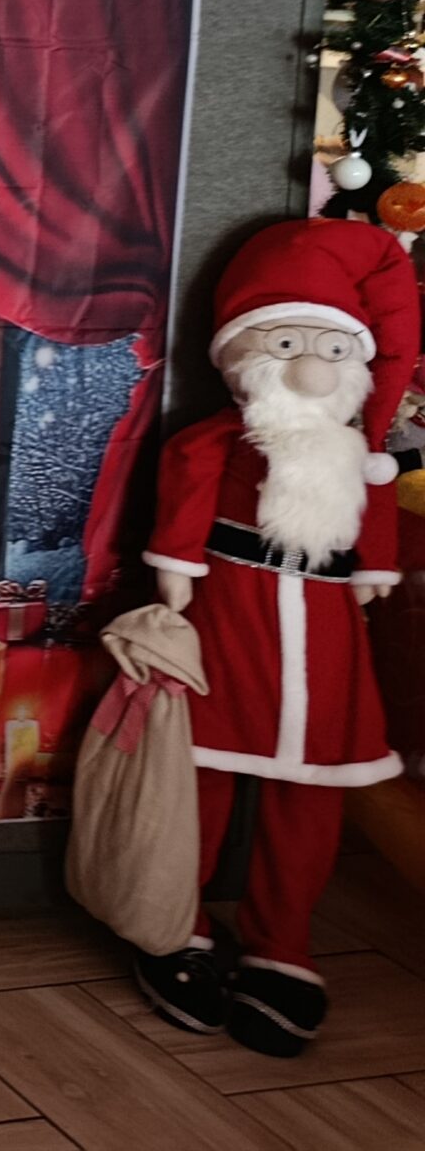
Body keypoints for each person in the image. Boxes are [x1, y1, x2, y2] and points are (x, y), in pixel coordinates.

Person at [137, 218, 418, 1058]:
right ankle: (173, 926)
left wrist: (373, 570)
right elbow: (185, 506)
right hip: (233, 623)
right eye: (289, 343)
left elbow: (372, 513)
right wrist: (176, 571)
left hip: (327, 639)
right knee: (200, 784)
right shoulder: (218, 443)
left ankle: (282, 946)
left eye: (332, 348)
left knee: (311, 795)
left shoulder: (358, 455)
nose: (311, 367)